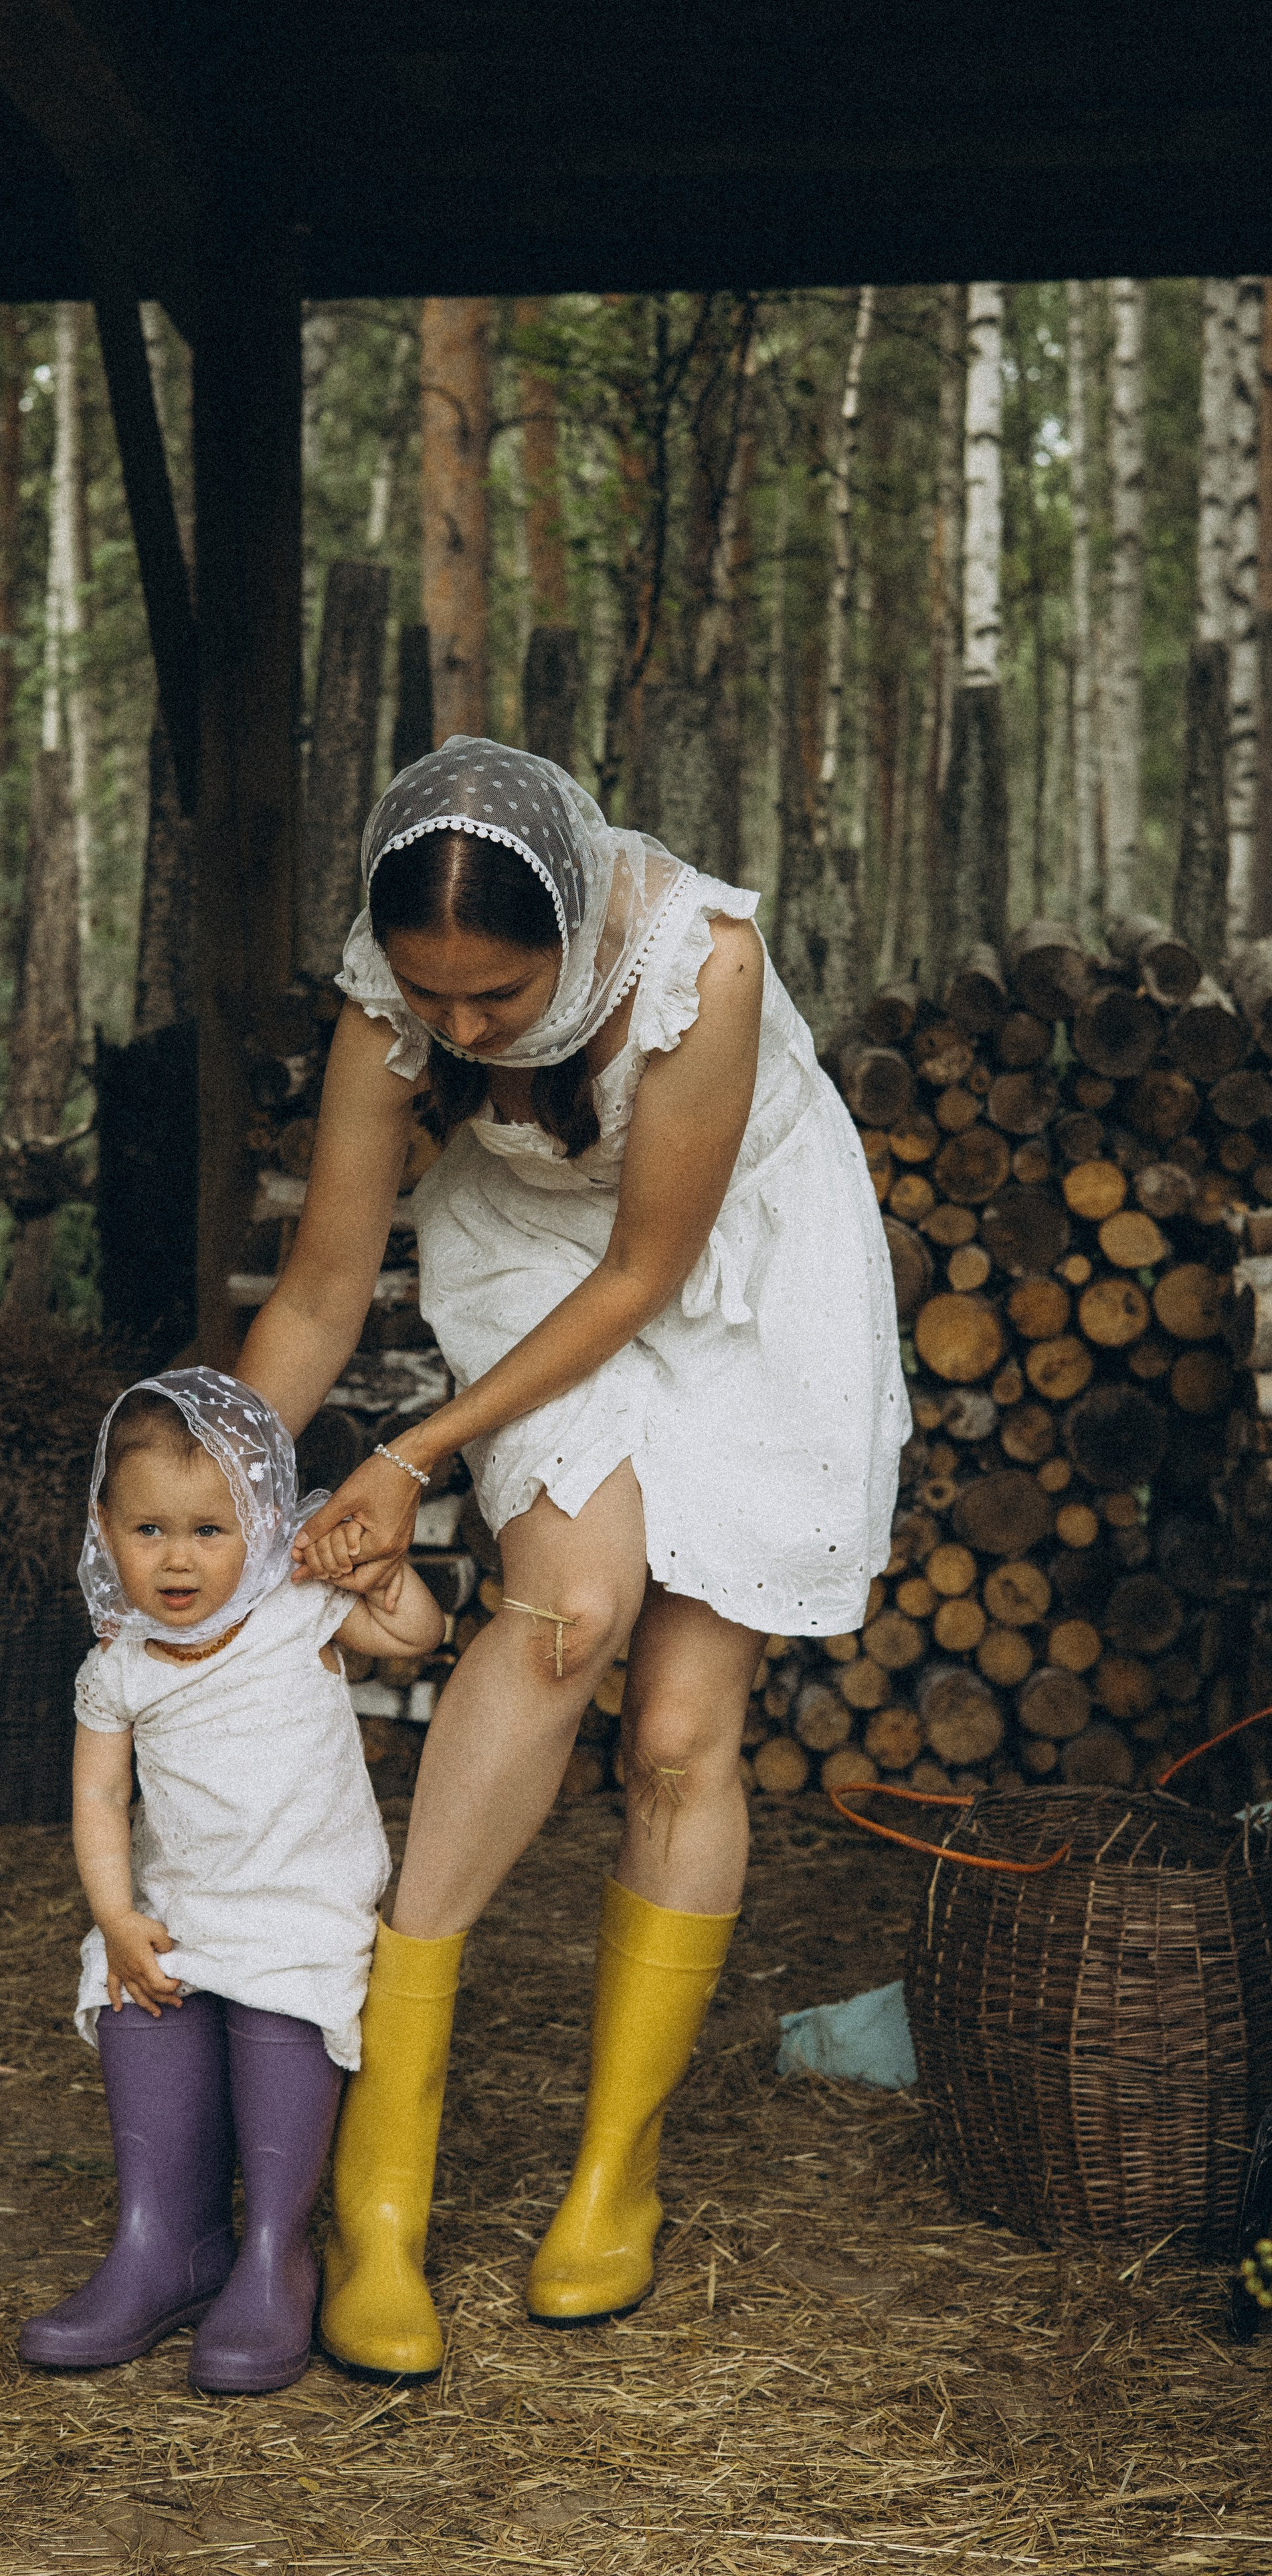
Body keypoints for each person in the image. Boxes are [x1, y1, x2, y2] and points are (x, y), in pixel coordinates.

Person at [236, 737, 909, 2376]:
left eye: (495, 997)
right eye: (428, 999)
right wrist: (209, 1493)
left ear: (572, 927)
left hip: (732, 1267)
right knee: (561, 1619)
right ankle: (376, 2186)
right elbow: (326, 1289)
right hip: (533, 1257)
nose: (456, 1032)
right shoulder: (392, 999)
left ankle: (617, 2169)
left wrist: (405, 1457)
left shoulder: (699, 964)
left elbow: (647, 1271)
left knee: (680, 1731)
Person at [17, 1366, 442, 2395]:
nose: (177, 1559)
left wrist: (386, 1579)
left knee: (281, 2014)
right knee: (135, 1993)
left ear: (259, 1524)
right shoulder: (119, 1661)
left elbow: (415, 1636)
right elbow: (97, 1802)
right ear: (103, 1529)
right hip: (184, 1903)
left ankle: (272, 2255)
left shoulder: (299, 1611)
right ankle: (164, 2242)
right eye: (148, 1530)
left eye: (210, 1530)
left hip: (301, 1905)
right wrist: (115, 1916)